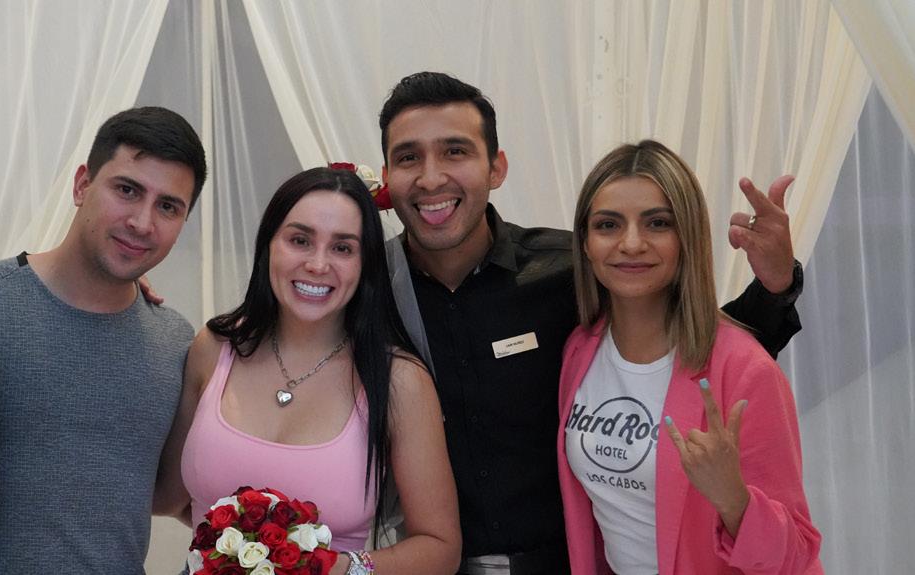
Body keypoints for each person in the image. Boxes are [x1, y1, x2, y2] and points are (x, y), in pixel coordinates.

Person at [376, 72, 805, 574]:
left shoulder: (569, 271)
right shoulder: (366, 292)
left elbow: (697, 343)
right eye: (409, 157)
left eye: (455, 151)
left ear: (496, 167)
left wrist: (775, 287)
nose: (431, 178)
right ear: (386, 175)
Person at [158, 166, 463, 575]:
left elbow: (440, 549)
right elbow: (167, 496)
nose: (318, 264)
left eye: (342, 248)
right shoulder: (214, 348)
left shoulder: (399, 381)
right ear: (269, 245)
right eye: (300, 240)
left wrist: (338, 568)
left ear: (365, 264)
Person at [557, 140, 821, 574]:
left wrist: (735, 501)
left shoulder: (744, 369)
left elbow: (797, 556)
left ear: (687, 238)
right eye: (608, 225)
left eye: (657, 223)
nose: (631, 243)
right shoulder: (579, 349)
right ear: (585, 242)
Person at [0, 106, 206, 574]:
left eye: (168, 206)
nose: (142, 222)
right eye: (127, 190)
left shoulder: (176, 342)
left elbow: (161, 494)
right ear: (82, 185)